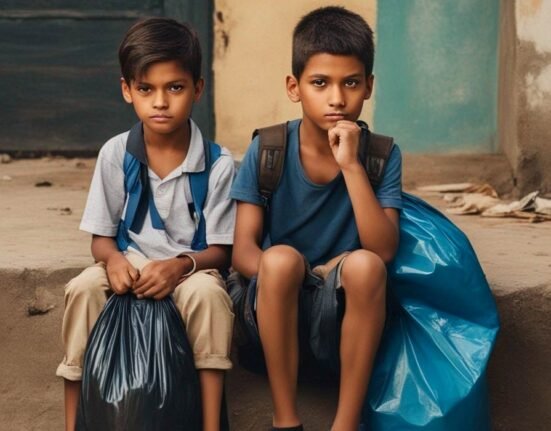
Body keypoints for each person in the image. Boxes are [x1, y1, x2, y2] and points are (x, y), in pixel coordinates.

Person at [56, 17, 235, 431]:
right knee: (82, 288)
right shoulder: (116, 153)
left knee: (209, 297)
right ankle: (73, 423)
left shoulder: (220, 164)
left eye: (175, 87)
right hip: (130, 266)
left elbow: (222, 251)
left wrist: (180, 267)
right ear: (126, 90)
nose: (160, 102)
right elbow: (101, 240)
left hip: (189, 270)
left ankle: (210, 423)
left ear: (198, 89)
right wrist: (115, 262)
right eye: (146, 89)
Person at [230, 6, 403, 431]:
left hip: (341, 309)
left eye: (351, 83)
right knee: (280, 259)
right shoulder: (269, 148)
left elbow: (382, 249)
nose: (337, 98)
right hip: (271, 306)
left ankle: (345, 424)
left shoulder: (381, 155)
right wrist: (307, 273)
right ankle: (284, 418)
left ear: (369, 86)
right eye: (320, 83)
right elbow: (242, 251)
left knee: (364, 264)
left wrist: (351, 167)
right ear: (294, 87)